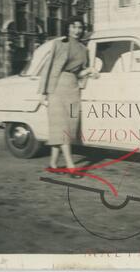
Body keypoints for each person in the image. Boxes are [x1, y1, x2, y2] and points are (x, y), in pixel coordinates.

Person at [38, 16, 98, 177]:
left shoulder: (83, 49)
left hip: (72, 87)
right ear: (68, 28)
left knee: (67, 128)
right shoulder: (59, 44)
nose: (77, 30)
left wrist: (90, 71)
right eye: (74, 27)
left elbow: (79, 72)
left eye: (80, 27)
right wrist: (43, 93)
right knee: (62, 127)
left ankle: (52, 164)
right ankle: (71, 166)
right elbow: (48, 68)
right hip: (57, 87)